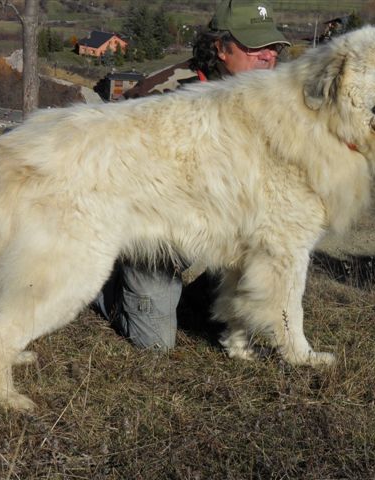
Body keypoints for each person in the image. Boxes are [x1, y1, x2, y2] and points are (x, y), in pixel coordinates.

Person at [95, 0, 290, 350]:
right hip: (153, 237)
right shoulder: (165, 94)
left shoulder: (266, 98)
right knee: (155, 345)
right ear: (220, 48)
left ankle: (200, 303)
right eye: (255, 46)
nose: (268, 56)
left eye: (273, 47)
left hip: (212, 227)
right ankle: (99, 282)